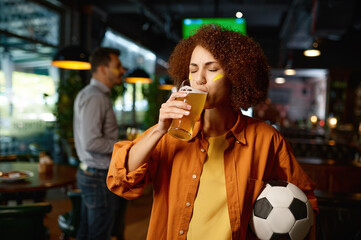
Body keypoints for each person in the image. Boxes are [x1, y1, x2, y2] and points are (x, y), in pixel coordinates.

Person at [107, 25, 318, 240]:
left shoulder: (266, 139)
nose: (199, 79)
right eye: (194, 69)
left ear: (236, 76)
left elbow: (305, 201)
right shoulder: (170, 133)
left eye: (212, 69)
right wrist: (159, 130)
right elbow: (121, 180)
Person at [74, 47, 127, 240]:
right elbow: (92, 142)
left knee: (87, 232)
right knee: (98, 235)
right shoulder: (96, 97)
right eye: (118, 66)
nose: (122, 70)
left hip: (92, 173)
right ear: (103, 69)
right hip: (99, 176)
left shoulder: (92, 94)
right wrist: (125, 146)